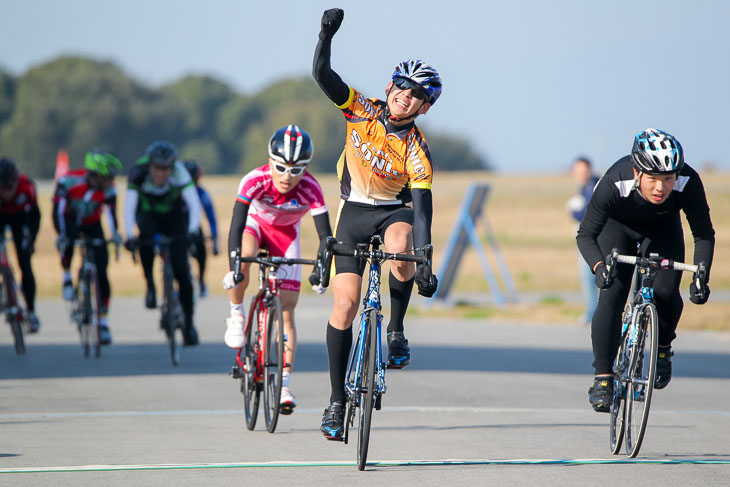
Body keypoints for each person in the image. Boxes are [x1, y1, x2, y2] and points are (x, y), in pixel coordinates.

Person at [313, 8, 440, 440]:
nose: (406, 96)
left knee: (403, 244)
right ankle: (336, 400)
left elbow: (422, 210)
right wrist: (325, 34)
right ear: (390, 87)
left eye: (416, 94)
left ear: (424, 106)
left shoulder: (418, 150)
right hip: (353, 212)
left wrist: (424, 261)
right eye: (402, 87)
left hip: (393, 212)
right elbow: (321, 73)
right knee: (344, 306)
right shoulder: (360, 108)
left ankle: (397, 328)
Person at [577, 128, 714, 413]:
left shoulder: (688, 182)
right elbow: (585, 235)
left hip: (663, 229)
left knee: (665, 291)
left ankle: (663, 348)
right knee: (612, 293)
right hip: (618, 229)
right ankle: (603, 378)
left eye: (667, 178)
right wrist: (599, 266)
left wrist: (701, 277)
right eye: (652, 178)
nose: (660, 188)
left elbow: (703, 234)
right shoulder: (615, 182)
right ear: (637, 172)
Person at [222, 125, 332, 415]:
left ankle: (283, 383)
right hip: (255, 227)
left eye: (296, 170)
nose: (287, 176)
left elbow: (325, 237)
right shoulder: (253, 181)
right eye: (280, 167)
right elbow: (236, 225)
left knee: (286, 309)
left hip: (286, 236)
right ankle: (236, 313)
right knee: (244, 256)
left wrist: (323, 268)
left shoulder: (311, 188)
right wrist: (235, 264)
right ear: (270, 160)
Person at [124, 141, 202, 346]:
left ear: (172, 167)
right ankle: (149, 283)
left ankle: (189, 325)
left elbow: (194, 203)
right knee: (145, 237)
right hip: (147, 213)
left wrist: (193, 230)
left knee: (183, 273)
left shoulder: (180, 173)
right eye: (157, 168)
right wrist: (129, 234)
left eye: (166, 169)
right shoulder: (137, 173)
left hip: (172, 216)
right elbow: (129, 206)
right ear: (149, 166)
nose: (161, 174)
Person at [52, 150, 124, 344]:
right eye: (108, 177)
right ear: (96, 175)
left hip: (92, 223)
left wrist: (115, 234)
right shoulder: (68, 181)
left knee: (102, 271)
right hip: (69, 219)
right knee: (69, 238)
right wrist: (62, 235)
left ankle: (103, 323)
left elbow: (111, 214)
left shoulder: (109, 190)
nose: (111, 181)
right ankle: (67, 277)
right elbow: (57, 211)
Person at [0, 157, 41, 332]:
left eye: (10, 188)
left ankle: (31, 311)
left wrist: (31, 240)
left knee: (25, 263)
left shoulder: (27, 187)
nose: (7, 193)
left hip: (20, 219)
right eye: (3, 189)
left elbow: (35, 217)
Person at [566, 157, 600, 326]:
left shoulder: (594, 187)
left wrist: (574, 212)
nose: (581, 174)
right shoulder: (585, 187)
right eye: (578, 171)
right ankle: (593, 310)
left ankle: (594, 312)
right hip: (589, 236)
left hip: (594, 238)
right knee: (589, 276)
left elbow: (589, 213)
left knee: (590, 275)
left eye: (583, 170)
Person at [183, 161, 219, 298]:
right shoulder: (177, 191)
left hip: (195, 229)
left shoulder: (201, 192)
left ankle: (201, 279)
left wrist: (214, 239)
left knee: (202, 255)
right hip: (178, 228)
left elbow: (211, 216)